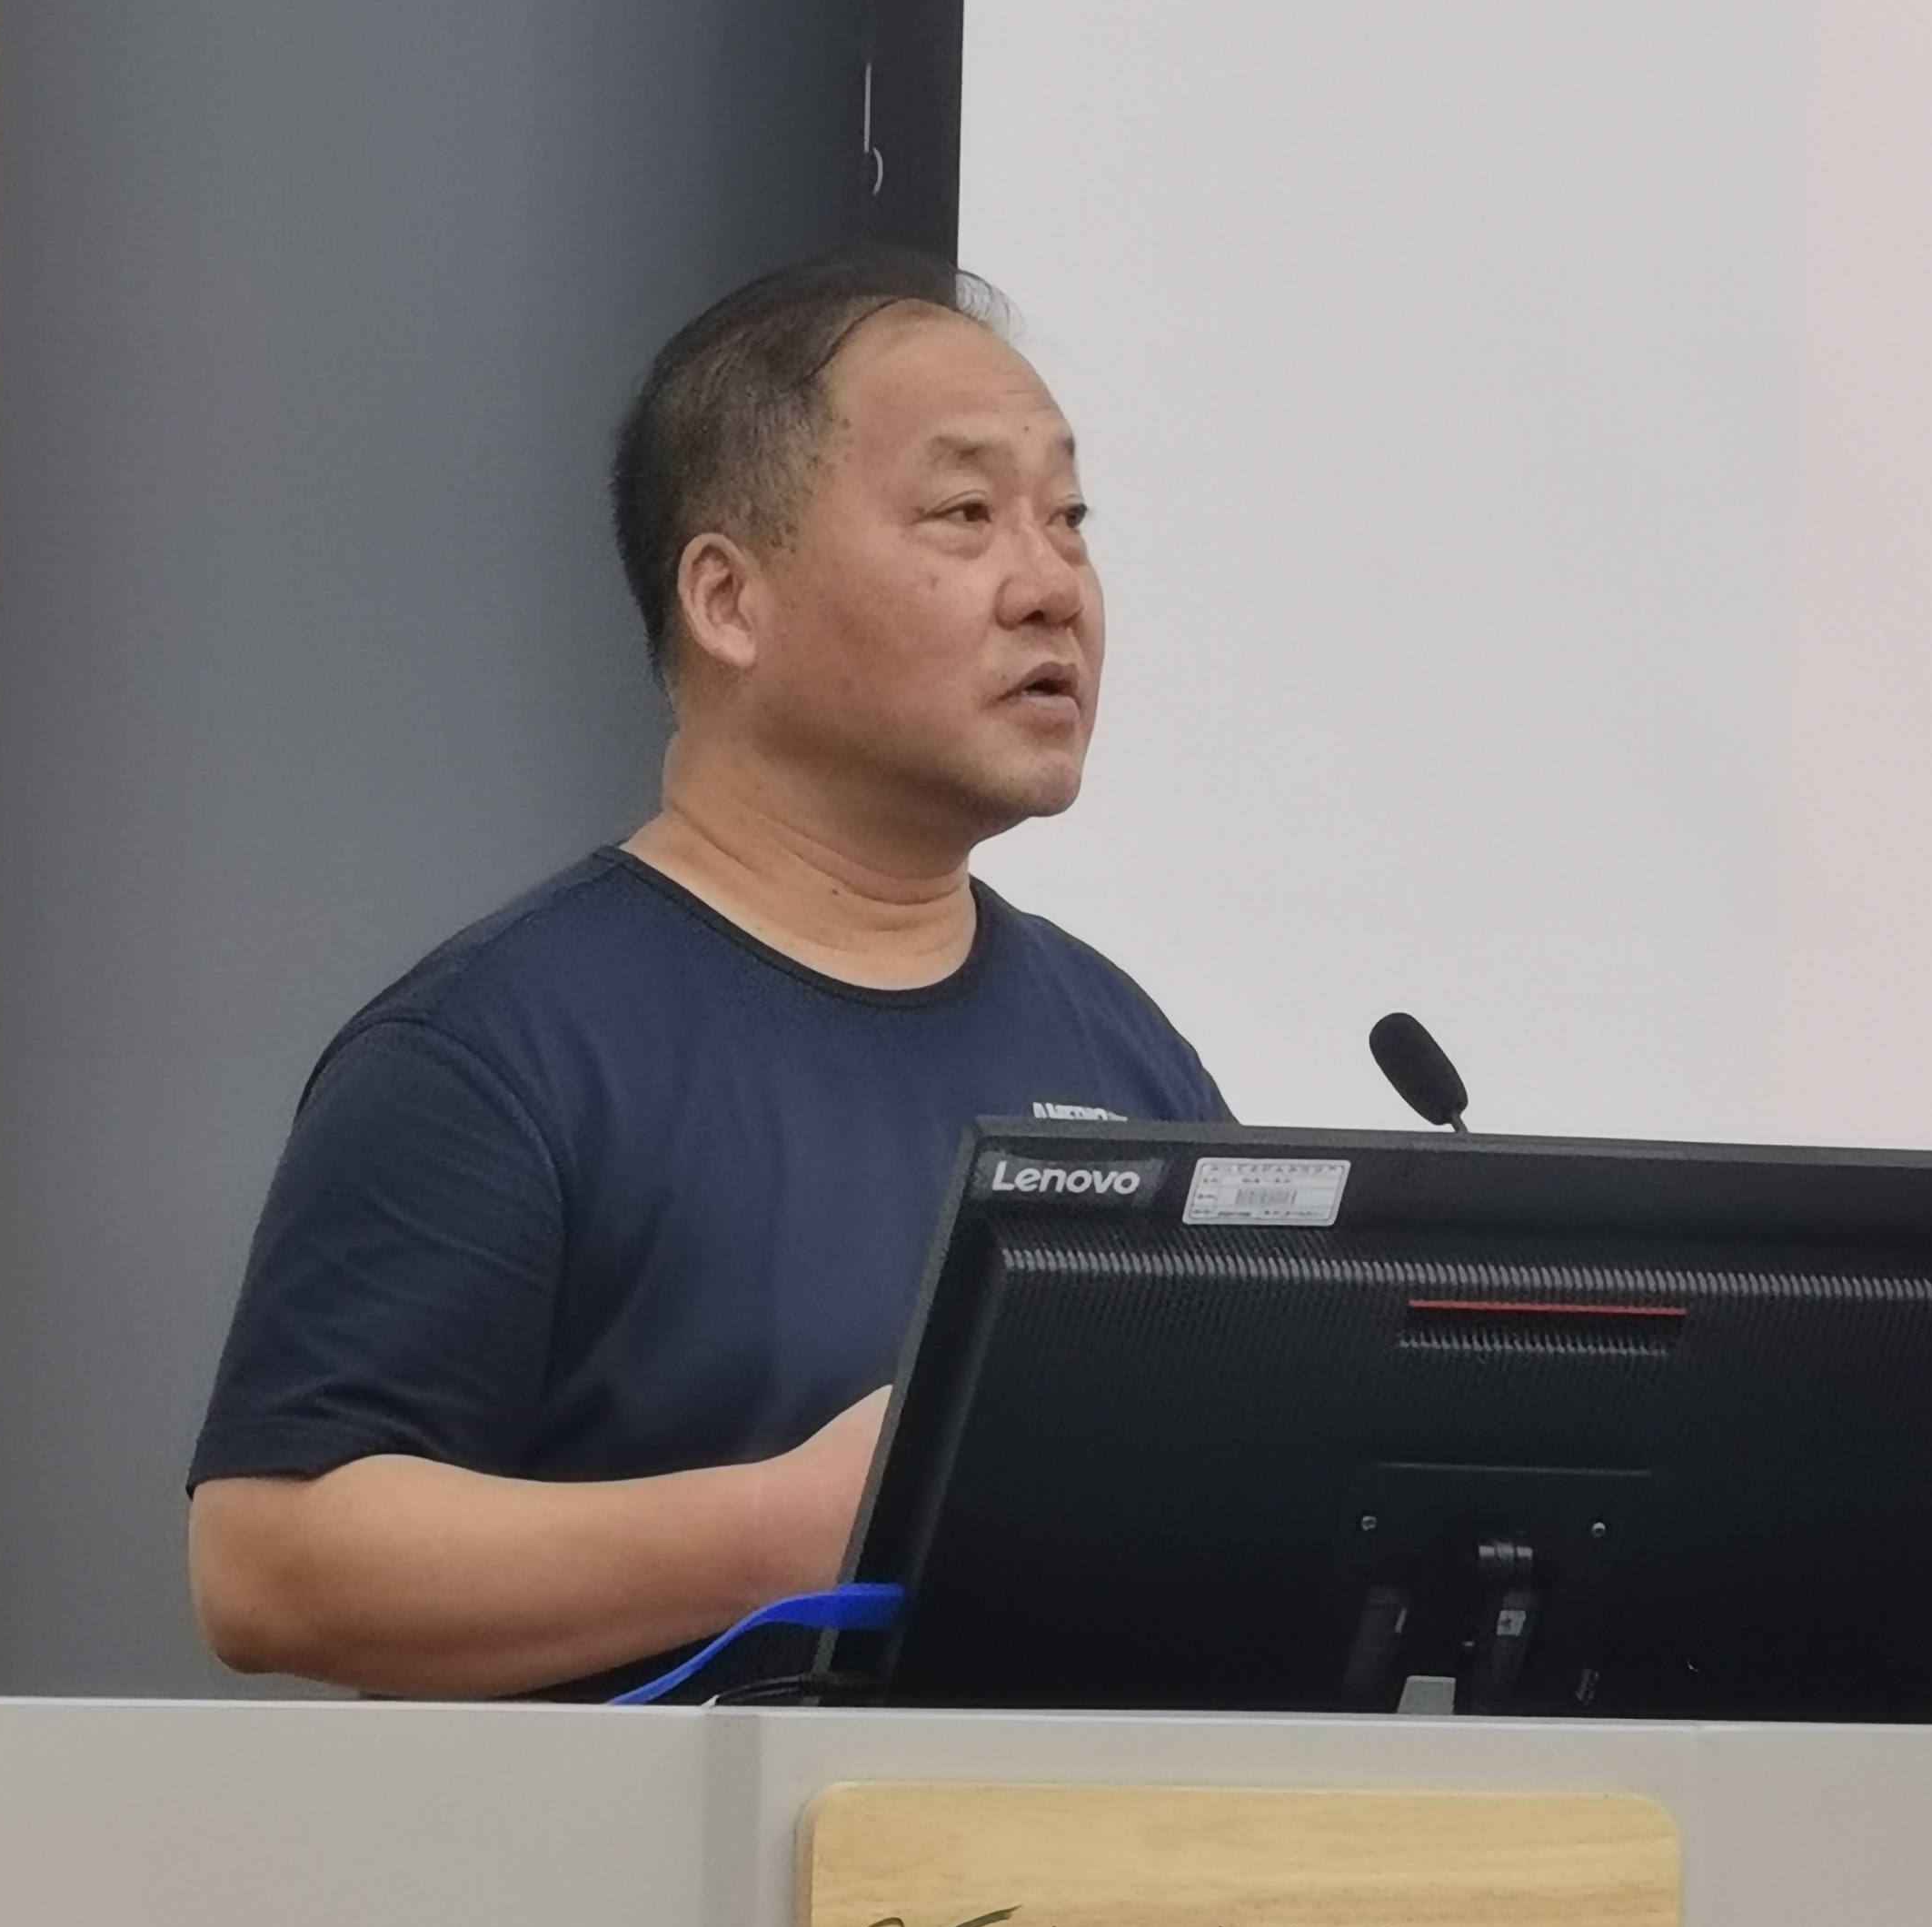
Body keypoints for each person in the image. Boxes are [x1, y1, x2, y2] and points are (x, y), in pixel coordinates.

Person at [185, 251, 1229, 1697]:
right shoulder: (498, 1049)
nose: (1053, 588)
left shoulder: (1122, 1051)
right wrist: (781, 1533)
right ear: (731, 600)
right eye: (967, 514)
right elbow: (268, 1562)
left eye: (1070, 520)